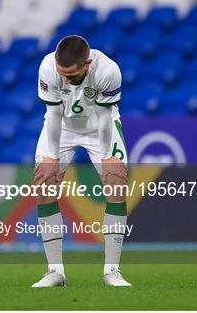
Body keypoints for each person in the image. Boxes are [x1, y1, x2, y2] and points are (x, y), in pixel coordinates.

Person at [32, 35, 131, 286]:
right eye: (61, 74)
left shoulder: (108, 71)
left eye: (72, 76)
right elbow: (53, 114)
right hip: (62, 127)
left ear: (87, 63)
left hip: (99, 127)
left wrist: (108, 155)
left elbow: (105, 116)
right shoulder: (47, 66)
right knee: (44, 186)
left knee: (116, 184)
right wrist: (52, 157)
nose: (65, 80)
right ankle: (55, 271)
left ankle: (112, 272)